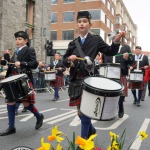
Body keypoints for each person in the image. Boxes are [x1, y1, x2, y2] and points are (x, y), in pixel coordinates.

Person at [63, 10, 125, 143]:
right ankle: (91, 130)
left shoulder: (96, 40)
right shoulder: (73, 43)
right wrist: (70, 59)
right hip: (75, 80)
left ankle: (83, 142)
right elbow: (64, 60)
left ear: (90, 24)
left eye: (84, 21)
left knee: (85, 114)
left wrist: (116, 41)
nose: (82, 24)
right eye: (79, 22)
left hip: (89, 80)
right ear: (77, 25)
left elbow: (110, 51)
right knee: (80, 113)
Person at [0, 31, 44, 136]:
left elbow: (34, 64)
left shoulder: (30, 50)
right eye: (16, 39)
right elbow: (10, 65)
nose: (17, 41)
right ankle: (11, 127)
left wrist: (22, 63)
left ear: (26, 41)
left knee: (27, 104)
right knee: (10, 102)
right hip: (13, 79)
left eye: (19, 39)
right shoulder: (15, 52)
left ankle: (39, 116)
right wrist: (5, 60)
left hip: (24, 80)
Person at [116, 44, 134, 118]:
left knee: (122, 94)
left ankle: (121, 108)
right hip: (112, 76)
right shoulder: (114, 53)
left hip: (122, 76)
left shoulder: (127, 53)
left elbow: (132, 62)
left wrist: (127, 59)